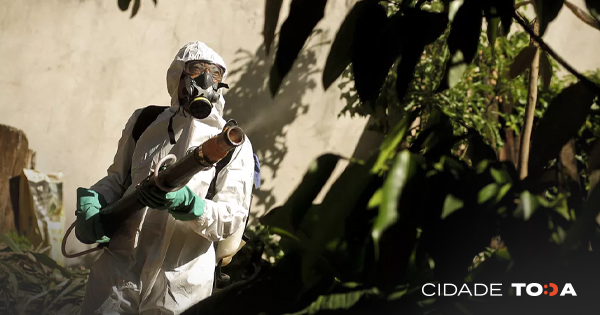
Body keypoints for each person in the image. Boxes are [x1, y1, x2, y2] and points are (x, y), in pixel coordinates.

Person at [75, 41, 255, 314]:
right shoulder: (145, 122)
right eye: (196, 70)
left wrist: (192, 206)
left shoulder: (232, 144)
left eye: (215, 73)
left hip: (181, 283)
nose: (206, 79)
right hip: (118, 273)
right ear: (177, 77)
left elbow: (232, 218)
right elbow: (117, 179)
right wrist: (95, 199)